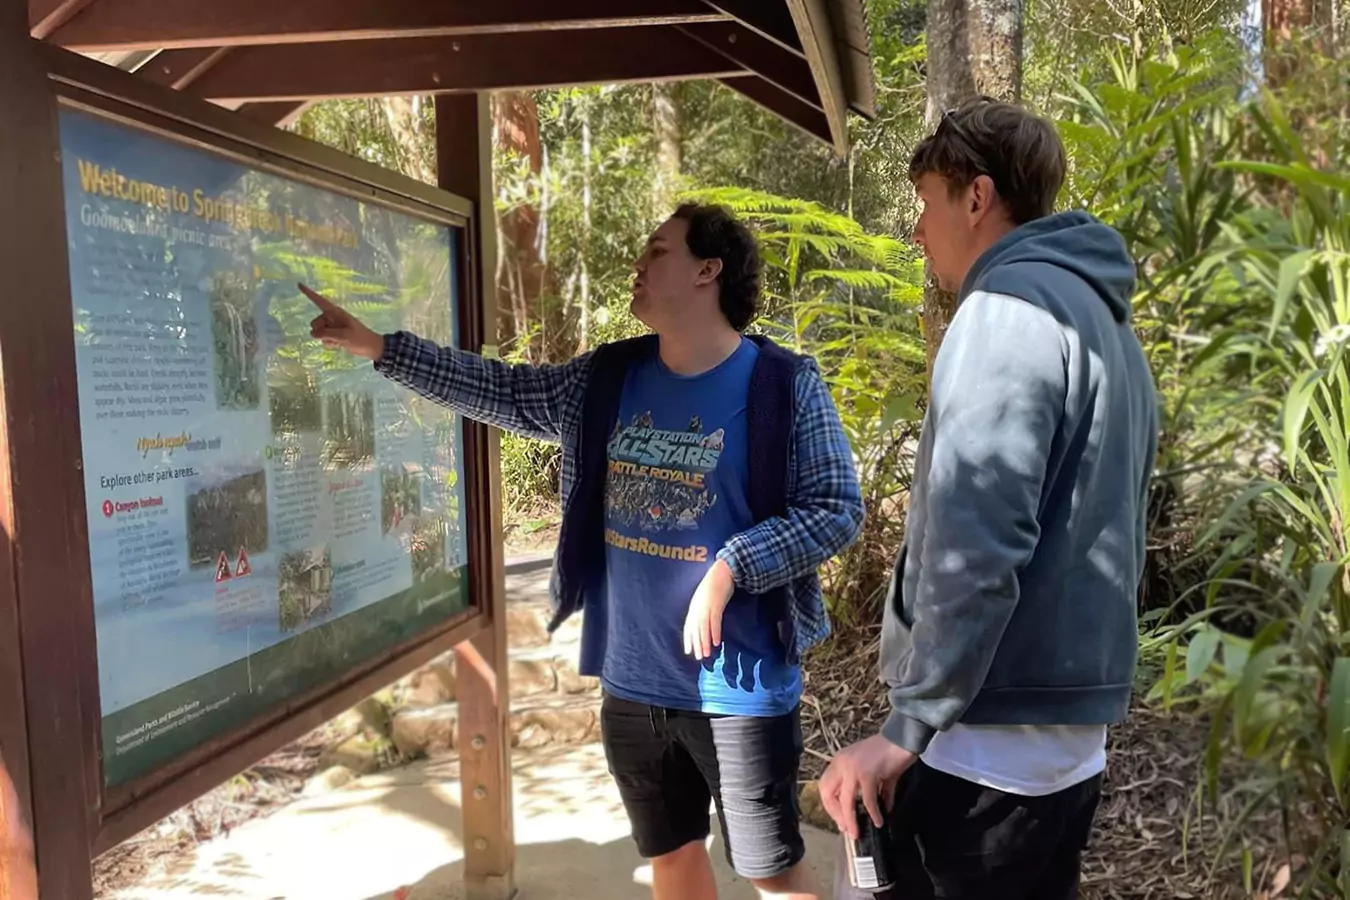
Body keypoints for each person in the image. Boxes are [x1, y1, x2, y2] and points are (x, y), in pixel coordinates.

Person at [303, 202, 865, 900]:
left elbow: (836, 510)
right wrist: (382, 349)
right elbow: (502, 390)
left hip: (740, 688)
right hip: (632, 679)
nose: (638, 263)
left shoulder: (783, 385)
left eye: (657, 251)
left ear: (707, 271)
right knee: (672, 857)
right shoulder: (605, 378)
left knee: (772, 872)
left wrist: (733, 565)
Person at [821, 98, 1158, 899]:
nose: (916, 231)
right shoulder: (1109, 327)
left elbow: (979, 541)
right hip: (1065, 740)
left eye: (925, 204)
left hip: (985, 749)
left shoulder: (1003, 311)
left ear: (976, 198)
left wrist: (907, 727)